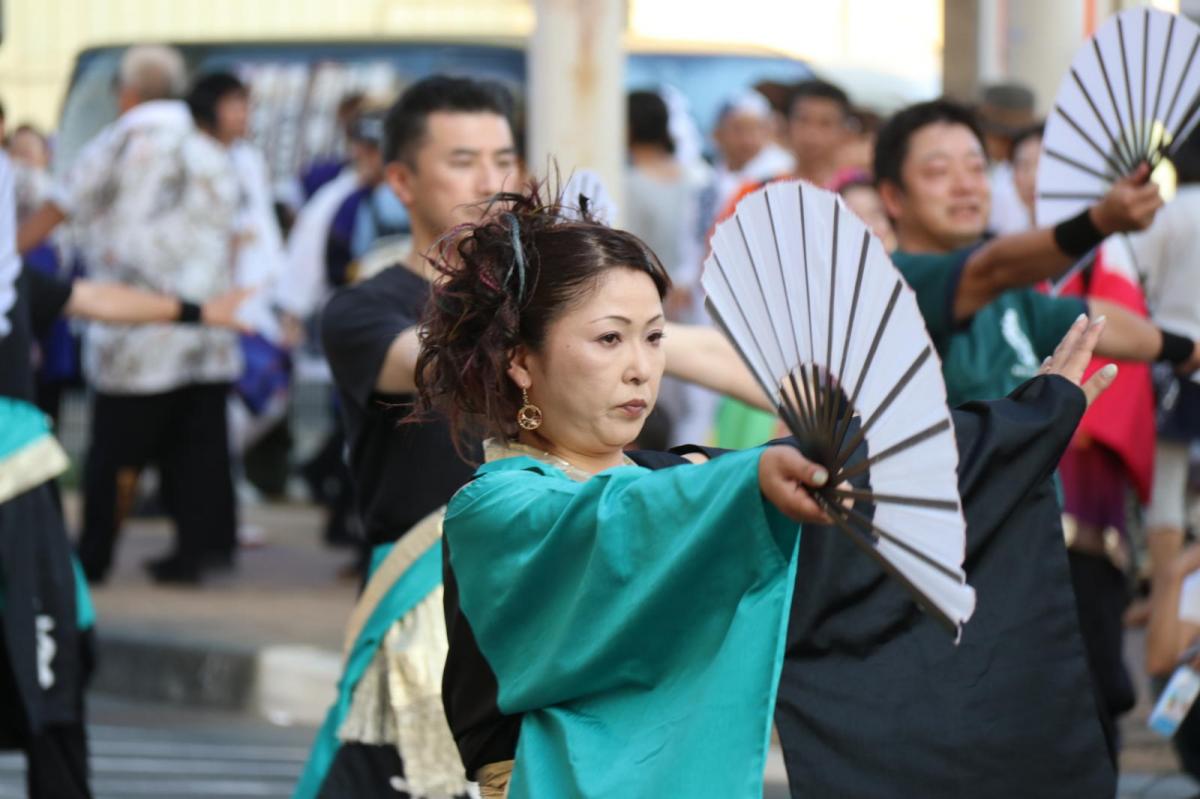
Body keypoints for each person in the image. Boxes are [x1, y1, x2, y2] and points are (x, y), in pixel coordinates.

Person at [413, 183, 1121, 797]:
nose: (640, 369)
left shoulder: (681, 482)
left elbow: (854, 480)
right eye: (609, 339)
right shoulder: (499, 508)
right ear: (521, 362)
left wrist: (1020, 427)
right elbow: (616, 524)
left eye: (654, 338)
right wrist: (751, 478)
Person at [0, 150, 248, 799]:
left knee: (57, 661)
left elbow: (92, 298)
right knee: (49, 663)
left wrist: (197, 312)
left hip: (21, 494)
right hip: (18, 495)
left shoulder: (13, 280)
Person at [18, 44, 244, 585]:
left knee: (116, 453)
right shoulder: (209, 146)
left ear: (127, 93)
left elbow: (61, 203)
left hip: (136, 327)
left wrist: (11, 251)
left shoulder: (122, 139)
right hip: (208, 324)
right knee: (196, 449)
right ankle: (197, 552)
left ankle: (94, 557)